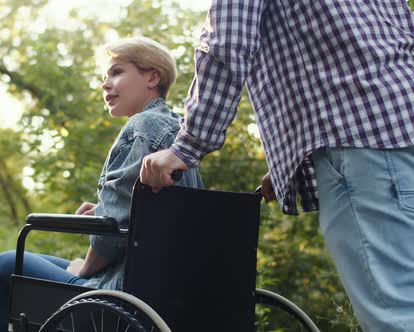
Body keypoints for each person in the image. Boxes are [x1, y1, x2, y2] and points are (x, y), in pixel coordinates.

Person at [140, 1, 414, 331]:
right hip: (398, 125)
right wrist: (289, 157)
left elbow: (227, 41)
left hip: (363, 140)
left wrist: (187, 146)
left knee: (394, 310)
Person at [0, 36, 204, 332]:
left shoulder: (141, 129)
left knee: (6, 265)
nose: (105, 84)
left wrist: (85, 268)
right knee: (58, 265)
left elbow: (108, 239)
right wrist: (103, 211)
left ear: (152, 77)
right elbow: (148, 216)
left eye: (116, 72)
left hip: (117, 297)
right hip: (169, 293)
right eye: (105, 77)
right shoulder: (181, 139)